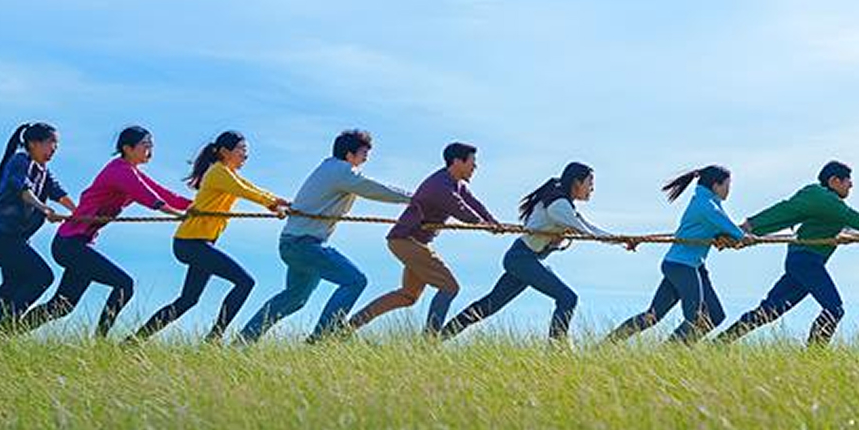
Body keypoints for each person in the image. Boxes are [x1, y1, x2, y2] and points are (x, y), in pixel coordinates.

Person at [237, 129, 415, 343]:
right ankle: (320, 339)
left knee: (295, 298)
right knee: (355, 281)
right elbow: (375, 189)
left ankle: (244, 340)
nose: (366, 158)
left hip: (292, 244)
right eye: (363, 153)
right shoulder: (343, 172)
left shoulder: (328, 168)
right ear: (350, 155)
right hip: (306, 245)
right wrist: (414, 198)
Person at [19, 126, 192, 338]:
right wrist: (177, 215)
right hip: (70, 244)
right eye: (145, 145)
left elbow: (164, 193)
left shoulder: (132, 171)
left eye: (151, 146)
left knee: (62, 305)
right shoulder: (119, 170)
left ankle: (7, 332)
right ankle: (100, 340)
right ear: (127, 148)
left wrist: (196, 207)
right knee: (124, 284)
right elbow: (149, 197)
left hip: (78, 244)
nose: (150, 151)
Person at [441, 162, 633, 342]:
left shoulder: (562, 201)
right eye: (590, 183)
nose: (592, 188)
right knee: (568, 298)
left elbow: (584, 227)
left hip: (525, 259)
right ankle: (556, 350)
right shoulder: (560, 205)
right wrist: (621, 241)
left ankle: (440, 337)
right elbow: (589, 231)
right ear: (577, 182)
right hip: (522, 259)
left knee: (491, 304)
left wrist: (619, 239)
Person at [716, 161, 859, 346]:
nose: (851, 185)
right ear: (834, 181)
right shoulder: (823, 199)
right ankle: (814, 354)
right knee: (834, 309)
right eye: (848, 181)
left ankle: (720, 343)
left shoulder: (827, 202)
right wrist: (744, 229)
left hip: (802, 262)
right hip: (806, 262)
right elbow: (855, 219)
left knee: (769, 311)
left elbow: (850, 225)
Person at [130, 131, 289, 342]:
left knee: (187, 300)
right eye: (241, 150)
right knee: (245, 282)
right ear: (224, 151)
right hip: (191, 243)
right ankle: (214, 338)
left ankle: (134, 341)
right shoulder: (218, 172)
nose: (245, 155)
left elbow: (252, 188)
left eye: (246, 151)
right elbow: (245, 191)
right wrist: (271, 205)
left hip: (198, 243)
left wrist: (279, 201)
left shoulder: (227, 173)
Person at [348, 142, 500, 335]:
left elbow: (473, 204)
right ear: (457, 162)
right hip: (406, 240)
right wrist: (483, 224)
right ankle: (429, 341)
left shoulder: (458, 184)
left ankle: (349, 327)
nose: (475, 167)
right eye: (472, 162)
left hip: (412, 242)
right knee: (449, 287)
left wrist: (493, 222)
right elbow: (460, 208)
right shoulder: (440, 184)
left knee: (408, 295)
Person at [606, 165, 747, 343]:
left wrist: (724, 236)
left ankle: (661, 351)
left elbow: (722, 228)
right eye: (728, 184)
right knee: (696, 319)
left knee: (713, 315)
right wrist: (744, 237)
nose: (729, 189)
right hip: (683, 267)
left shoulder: (708, 202)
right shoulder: (706, 206)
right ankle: (669, 353)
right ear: (716, 185)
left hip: (688, 265)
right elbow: (734, 231)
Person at [0, 123, 77, 335]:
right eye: (50, 143)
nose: (54, 149)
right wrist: (44, 208)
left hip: (13, 241)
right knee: (42, 276)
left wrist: (79, 213)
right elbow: (22, 189)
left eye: (56, 144)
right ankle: (8, 326)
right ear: (32, 143)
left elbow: (59, 193)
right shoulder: (20, 160)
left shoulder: (43, 171)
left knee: (13, 284)